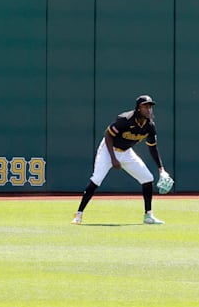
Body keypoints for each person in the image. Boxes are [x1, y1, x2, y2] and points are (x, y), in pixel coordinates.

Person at [72, 95, 171, 225]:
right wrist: (113, 158)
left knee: (147, 178)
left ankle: (148, 216)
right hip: (109, 150)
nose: (148, 109)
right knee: (97, 179)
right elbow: (107, 135)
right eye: (145, 106)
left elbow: (152, 148)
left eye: (150, 106)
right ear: (138, 108)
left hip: (126, 152)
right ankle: (78, 215)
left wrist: (161, 169)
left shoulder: (149, 126)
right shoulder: (125, 119)